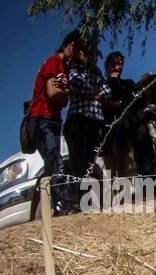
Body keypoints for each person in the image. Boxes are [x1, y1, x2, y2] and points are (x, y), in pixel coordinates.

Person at [26, 32, 78, 213]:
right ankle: (68, 206)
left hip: (53, 120)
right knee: (56, 163)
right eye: (75, 47)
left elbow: (61, 100)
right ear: (68, 45)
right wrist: (68, 93)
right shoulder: (53, 62)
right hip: (42, 119)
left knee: (52, 164)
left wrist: (64, 93)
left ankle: (51, 208)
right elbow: (52, 93)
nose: (76, 52)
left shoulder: (64, 67)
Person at [65, 37, 110, 206]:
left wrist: (96, 92)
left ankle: (88, 200)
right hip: (77, 120)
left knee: (89, 162)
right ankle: (77, 201)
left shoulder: (96, 72)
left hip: (94, 121)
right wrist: (95, 92)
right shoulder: (72, 69)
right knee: (77, 162)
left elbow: (106, 92)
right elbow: (77, 84)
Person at [101, 52, 136, 178]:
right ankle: (115, 194)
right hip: (107, 129)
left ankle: (122, 194)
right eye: (113, 64)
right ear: (107, 66)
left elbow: (131, 101)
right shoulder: (102, 85)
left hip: (125, 128)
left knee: (124, 163)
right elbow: (100, 101)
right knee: (111, 166)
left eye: (119, 64)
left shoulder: (128, 84)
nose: (116, 67)